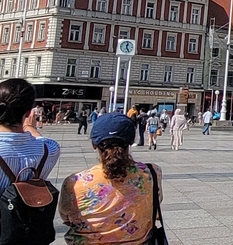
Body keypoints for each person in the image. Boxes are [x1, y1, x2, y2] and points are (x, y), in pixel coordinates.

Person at [59, 113, 162, 244]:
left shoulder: (74, 182)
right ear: (130, 142)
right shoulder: (152, 173)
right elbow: (155, 210)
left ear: (94, 144)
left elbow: (67, 217)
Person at [0, 79, 61, 193]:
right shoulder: (49, 150)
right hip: (28, 209)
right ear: (29, 113)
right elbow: (42, 140)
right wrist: (29, 126)